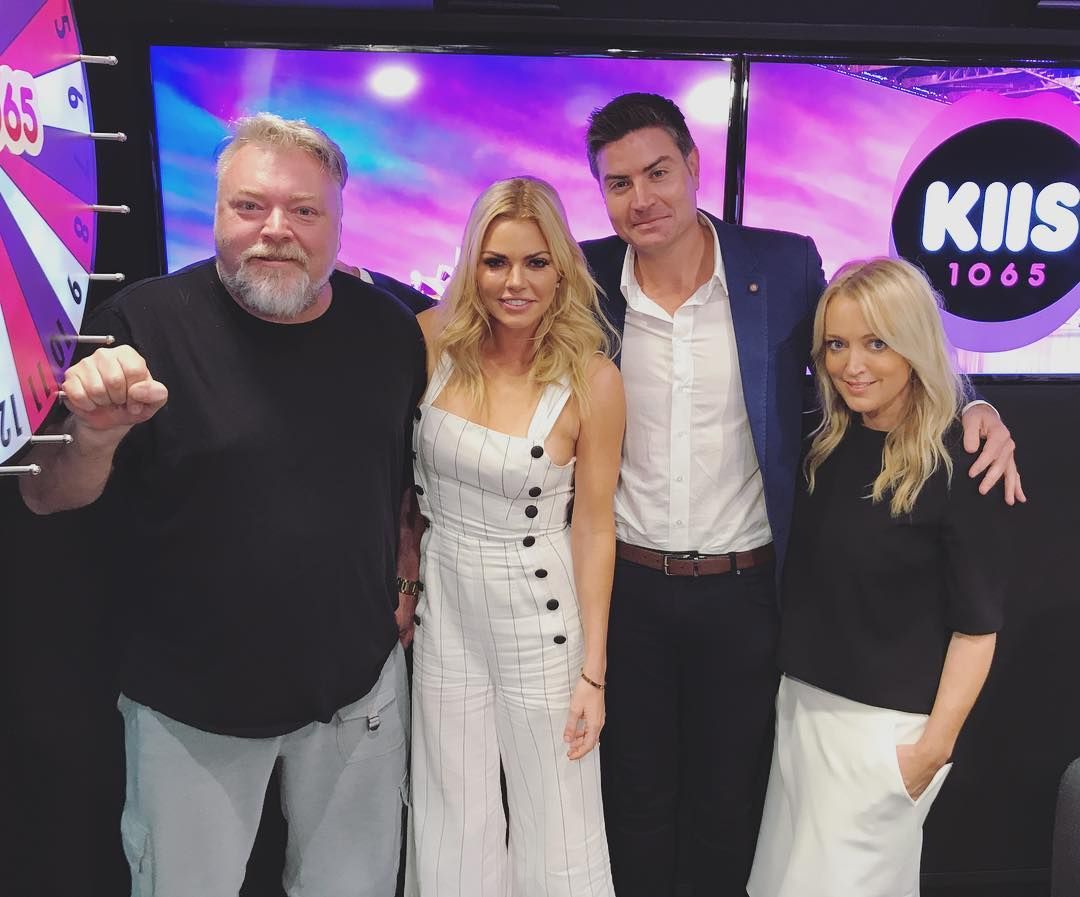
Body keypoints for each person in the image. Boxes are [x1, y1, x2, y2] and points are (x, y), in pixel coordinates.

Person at [577, 92, 1023, 897]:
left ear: (694, 167)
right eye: (619, 183)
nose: (641, 198)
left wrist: (973, 405)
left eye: (658, 172)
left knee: (729, 810)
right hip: (629, 588)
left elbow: (880, 337)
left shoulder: (780, 267)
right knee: (630, 802)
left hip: (746, 592)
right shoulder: (584, 277)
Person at [20, 113, 425, 897]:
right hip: (191, 707)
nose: (276, 229)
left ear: (339, 224)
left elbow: (403, 482)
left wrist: (405, 578)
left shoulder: (389, 331)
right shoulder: (141, 325)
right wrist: (96, 432)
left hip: (357, 693)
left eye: (304, 210)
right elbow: (45, 493)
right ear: (215, 213)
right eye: (249, 206)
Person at [748, 257, 1009, 896]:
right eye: (836, 344)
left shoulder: (961, 460)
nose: (852, 365)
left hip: (885, 736)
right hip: (802, 714)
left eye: (876, 343)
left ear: (914, 345)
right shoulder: (824, 441)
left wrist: (931, 752)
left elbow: (977, 629)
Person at [403, 176, 625, 897]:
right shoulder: (430, 340)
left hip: (541, 614)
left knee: (558, 817)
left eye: (535, 262)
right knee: (448, 815)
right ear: (472, 264)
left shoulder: (593, 378)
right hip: (445, 605)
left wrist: (594, 672)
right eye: (496, 262)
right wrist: (405, 581)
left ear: (562, 268)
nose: (514, 282)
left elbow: (594, 525)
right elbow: (400, 488)